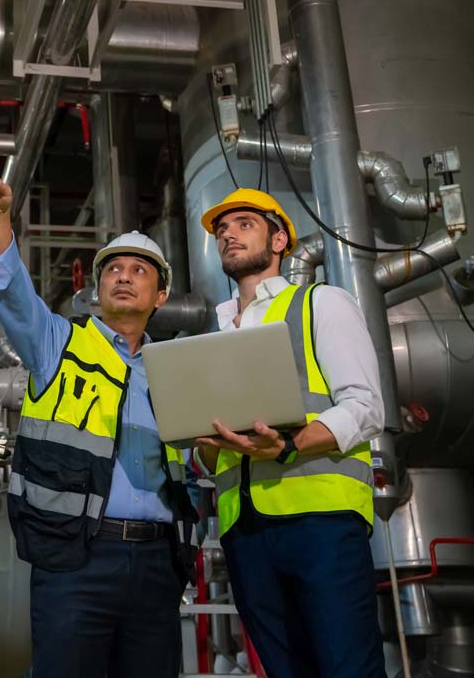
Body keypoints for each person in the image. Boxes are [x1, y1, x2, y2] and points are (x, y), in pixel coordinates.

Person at [0, 145, 199, 678]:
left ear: (159, 295)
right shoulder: (57, 343)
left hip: (158, 563)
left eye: (138, 270)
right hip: (76, 558)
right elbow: (11, 290)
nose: (123, 276)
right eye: (113, 269)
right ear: (96, 290)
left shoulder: (173, 368)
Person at [194, 188, 386, 678]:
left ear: (279, 239)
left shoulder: (320, 303)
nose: (228, 235)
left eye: (243, 224)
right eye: (222, 230)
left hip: (322, 521)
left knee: (348, 669)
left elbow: (365, 408)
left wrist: (288, 446)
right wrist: (205, 449)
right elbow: (206, 456)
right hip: (244, 532)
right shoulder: (210, 333)